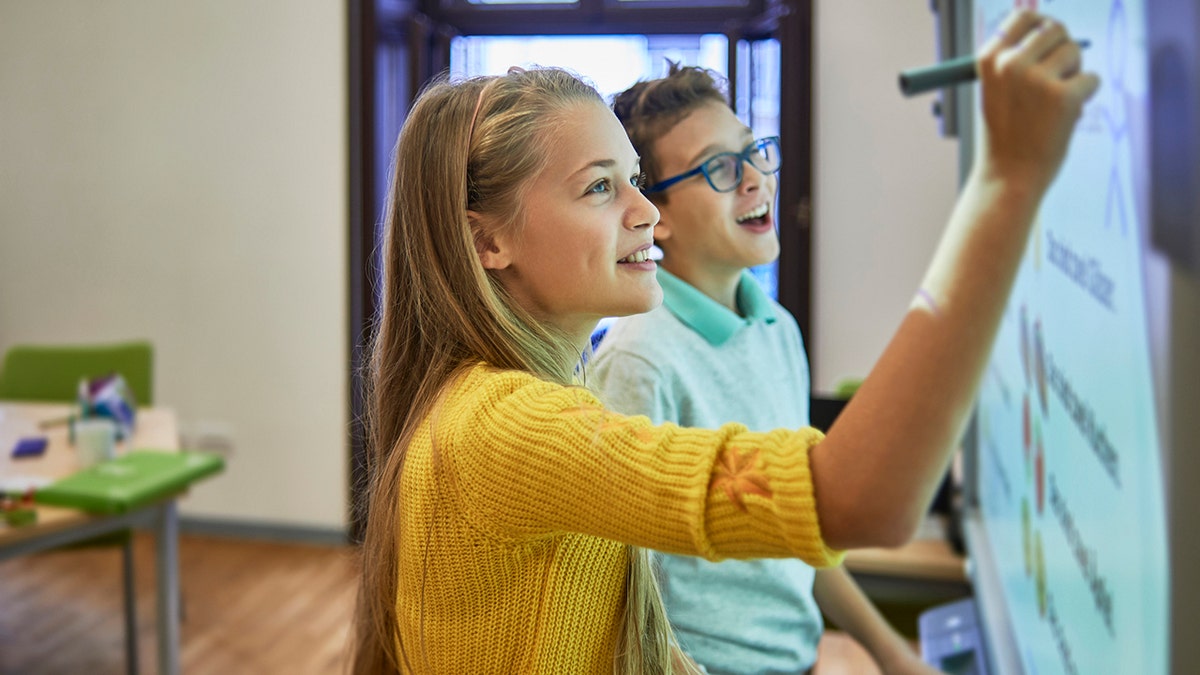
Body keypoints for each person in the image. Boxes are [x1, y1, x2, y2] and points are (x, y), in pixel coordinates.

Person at [350, 10, 1098, 674]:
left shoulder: (529, 400)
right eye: (599, 187)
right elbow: (859, 498)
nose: (646, 212)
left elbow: (624, 641)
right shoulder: (507, 425)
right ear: (487, 242)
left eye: (636, 179)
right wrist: (1008, 179)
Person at [590, 64, 936, 675]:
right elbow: (613, 594)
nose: (755, 179)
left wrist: (890, 655)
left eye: (754, 153)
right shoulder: (638, 360)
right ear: (655, 213)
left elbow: (801, 527)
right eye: (720, 167)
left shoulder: (777, 328)